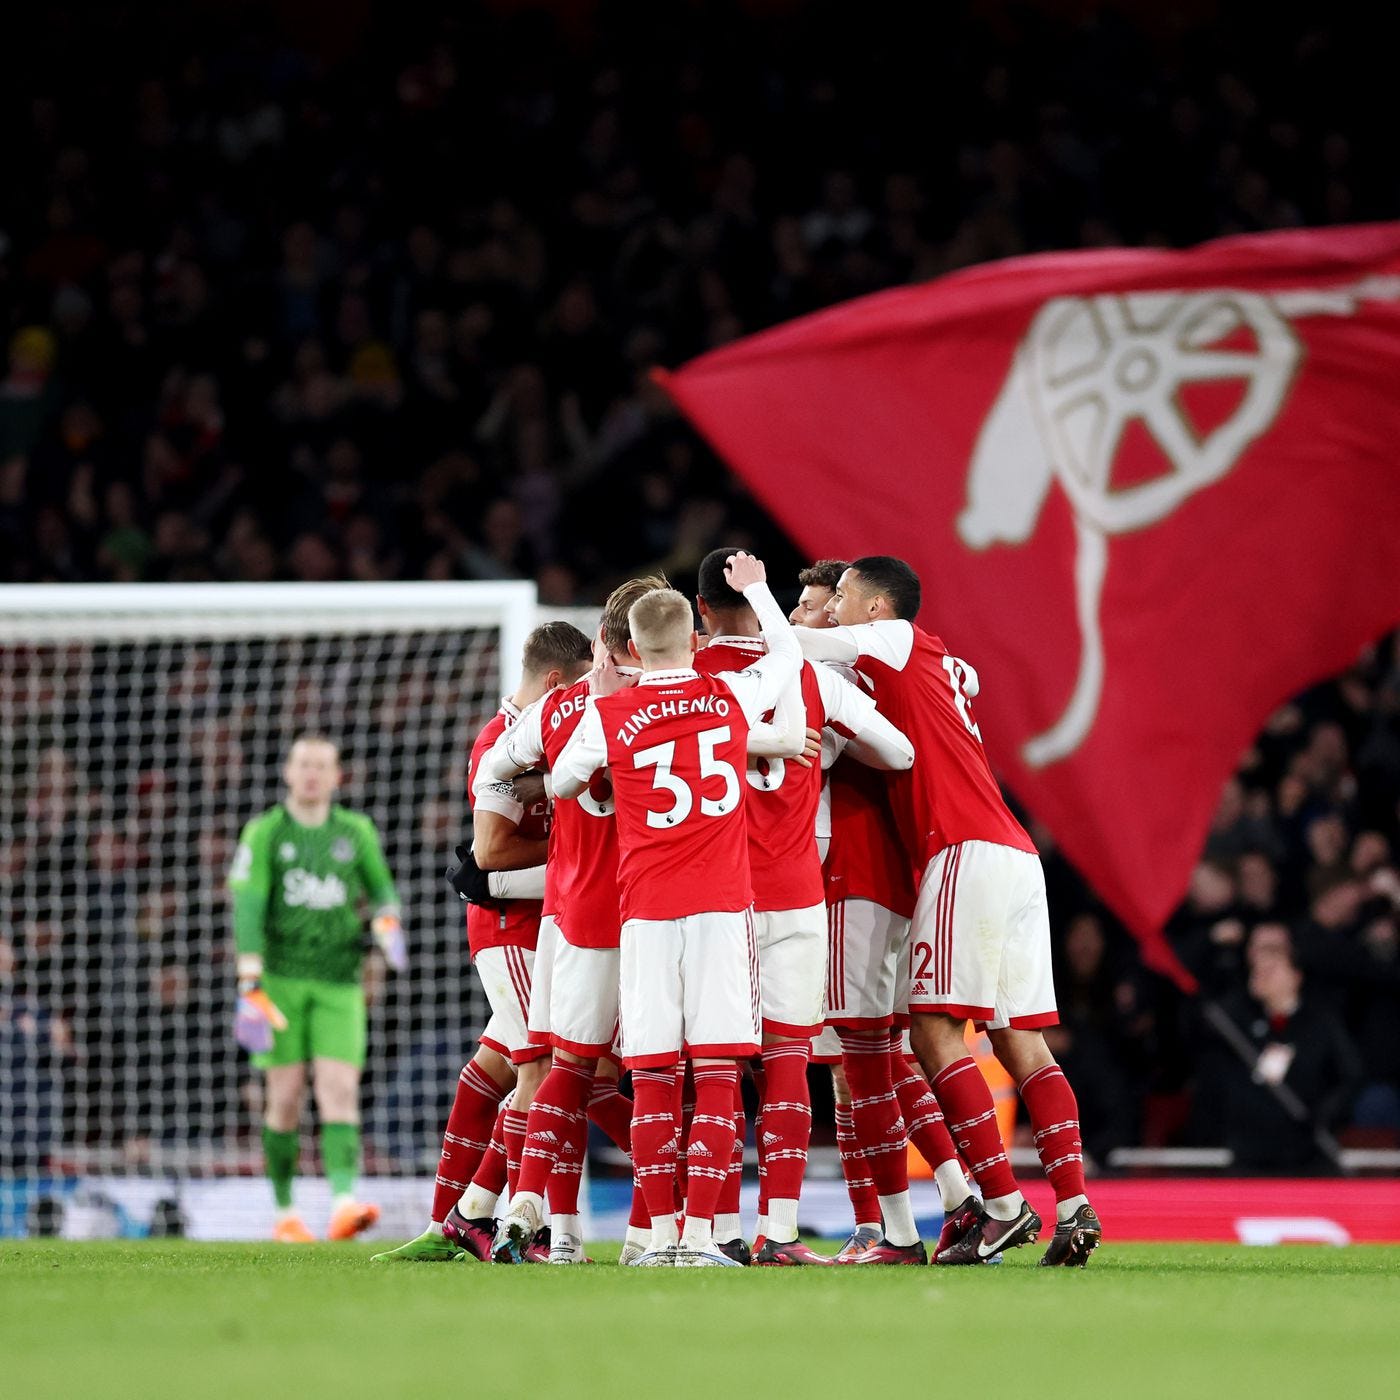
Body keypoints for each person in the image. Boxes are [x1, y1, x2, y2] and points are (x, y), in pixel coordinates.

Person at [795, 555, 1101, 1266]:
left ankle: (997, 1205)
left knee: (930, 1034)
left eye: (840, 596)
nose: (830, 608)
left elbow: (810, 648)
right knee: (1016, 1041)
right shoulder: (932, 664)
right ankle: (1076, 1203)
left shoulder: (896, 639)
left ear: (877, 606)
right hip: (1011, 851)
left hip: (959, 849)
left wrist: (742, 626)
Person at [549, 552, 799, 1266]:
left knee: (656, 1076)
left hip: (647, 915)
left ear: (628, 650)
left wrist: (604, 694)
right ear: (694, 643)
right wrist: (757, 591)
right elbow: (783, 653)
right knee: (718, 1074)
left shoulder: (609, 712)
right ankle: (699, 1238)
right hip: (722, 911)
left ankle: (656, 1241)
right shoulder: (730, 696)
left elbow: (567, 782)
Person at [693, 546, 914, 1264]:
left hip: (714, 895)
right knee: (791, 1058)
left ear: (700, 612)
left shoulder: (682, 683)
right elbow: (900, 751)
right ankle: (780, 1232)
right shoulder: (811, 676)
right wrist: (819, 756)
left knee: (717, 1065)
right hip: (797, 890)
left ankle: (710, 1230)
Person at [371, 621, 592, 1262]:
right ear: (556, 682)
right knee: (549, 1071)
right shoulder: (502, 743)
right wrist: (583, 849)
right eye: (577, 686)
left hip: (548, 925)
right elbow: (490, 854)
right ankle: (503, 1219)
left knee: (493, 1072)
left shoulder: (548, 738)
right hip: (512, 929)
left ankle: (450, 1221)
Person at [789, 558, 978, 1264]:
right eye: (809, 607)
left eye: (819, 605)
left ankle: (915, 1217)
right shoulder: (871, 672)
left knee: (865, 1056)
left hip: (851, 878)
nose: (812, 618)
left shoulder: (838, 678)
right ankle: (919, 1209)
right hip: (871, 879)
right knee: (866, 1059)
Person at [479, 576, 667, 1265]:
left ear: (602, 643)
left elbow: (496, 766)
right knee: (651, 1073)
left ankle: (529, 1211)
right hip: (642, 915)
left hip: (563, 914)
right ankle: (650, 1235)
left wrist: (529, 793)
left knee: (568, 1067)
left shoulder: (559, 703)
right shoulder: (675, 703)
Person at [229, 736, 404, 1243]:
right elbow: (249, 904)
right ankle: (285, 1212)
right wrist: (250, 978)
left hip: (339, 982)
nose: (311, 774)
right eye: (303, 764)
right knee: (283, 1098)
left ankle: (344, 1205)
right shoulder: (265, 833)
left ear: (336, 777)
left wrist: (387, 922)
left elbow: (383, 891)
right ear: (287, 773)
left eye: (321, 766)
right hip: (280, 982)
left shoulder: (356, 831)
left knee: (340, 1091)